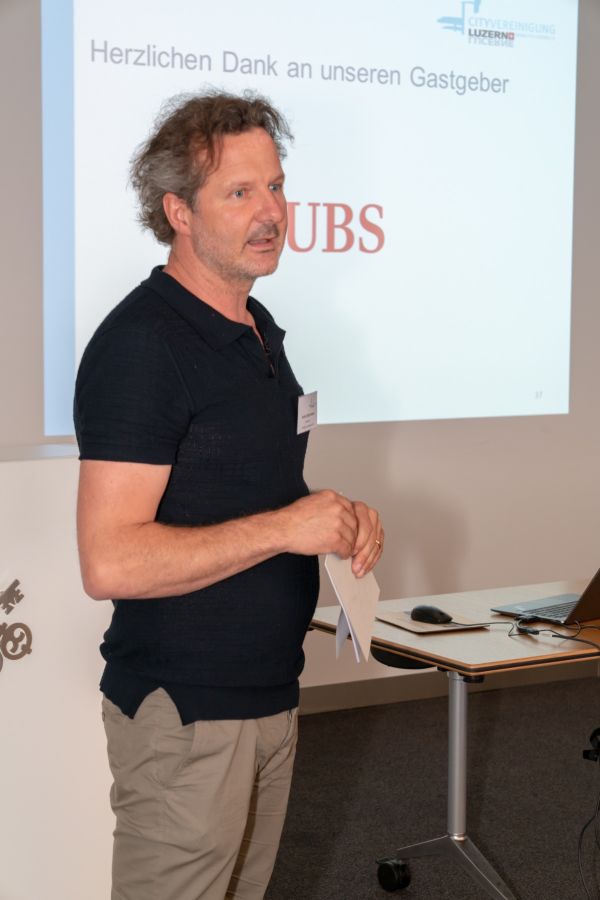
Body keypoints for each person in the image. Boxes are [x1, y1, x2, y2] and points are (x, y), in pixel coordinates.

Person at [74, 89, 383, 900]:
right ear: (178, 211)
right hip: (186, 713)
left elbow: (250, 488)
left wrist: (335, 520)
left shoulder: (255, 327)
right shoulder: (143, 347)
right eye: (240, 192)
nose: (271, 212)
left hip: (265, 696)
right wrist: (285, 528)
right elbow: (110, 560)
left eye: (275, 186)